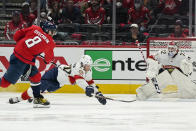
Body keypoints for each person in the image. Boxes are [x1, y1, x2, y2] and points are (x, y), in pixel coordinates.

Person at [9, 55, 107, 105]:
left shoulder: (88, 70)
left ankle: (33, 96)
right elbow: (79, 80)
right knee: (39, 87)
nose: (88, 67)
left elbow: (90, 82)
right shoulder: (78, 67)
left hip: (59, 83)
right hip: (54, 74)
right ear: (82, 64)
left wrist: (98, 93)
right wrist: (87, 88)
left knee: (45, 90)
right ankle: (19, 99)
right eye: (87, 65)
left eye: (89, 65)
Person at [0, 21, 56, 108]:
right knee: (4, 83)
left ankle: (37, 98)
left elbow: (17, 35)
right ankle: (37, 97)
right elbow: (49, 58)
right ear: (46, 30)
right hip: (22, 60)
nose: (53, 33)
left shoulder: (35, 28)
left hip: (19, 56)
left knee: (36, 76)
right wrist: (46, 61)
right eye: (51, 31)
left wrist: (21, 44)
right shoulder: (50, 42)